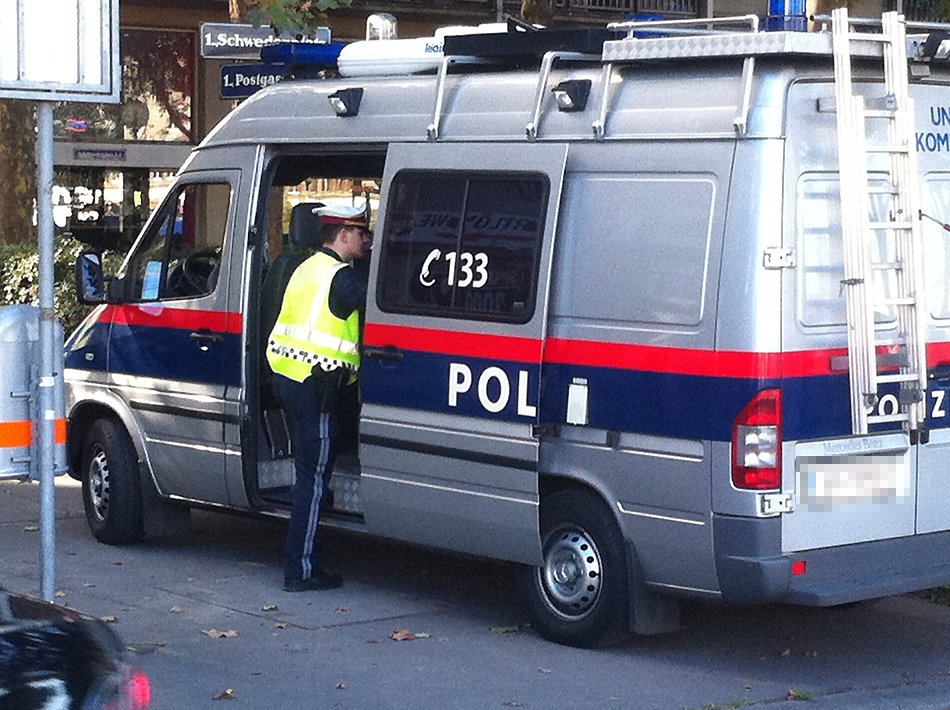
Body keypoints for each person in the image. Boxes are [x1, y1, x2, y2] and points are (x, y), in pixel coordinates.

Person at [266, 203, 372, 592]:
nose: (366, 239)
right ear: (342, 234)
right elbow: (380, 302)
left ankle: (302, 559)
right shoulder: (342, 278)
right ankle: (301, 570)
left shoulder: (305, 267)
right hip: (318, 388)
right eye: (361, 233)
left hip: (290, 379)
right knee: (312, 482)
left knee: (307, 475)